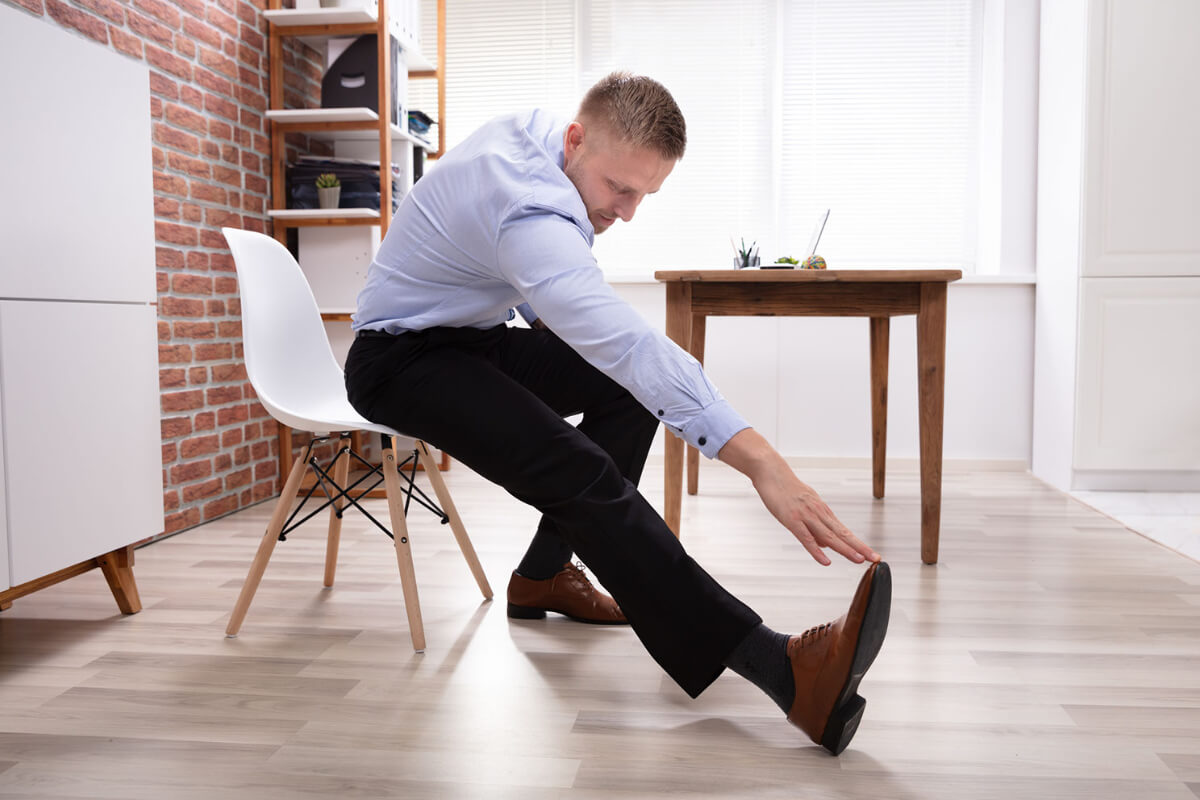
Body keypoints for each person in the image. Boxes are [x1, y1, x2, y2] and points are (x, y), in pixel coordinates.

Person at [345, 72, 891, 754]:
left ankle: (543, 574)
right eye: (621, 190)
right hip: (398, 362)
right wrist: (760, 463)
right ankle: (785, 673)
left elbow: (574, 320)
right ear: (577, 140)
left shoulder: (549, 141)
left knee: (624, 393)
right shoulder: (532, 209)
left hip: (466, 336)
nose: (628, 212)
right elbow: (626, 343)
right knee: (576, 468)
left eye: (645, 194)